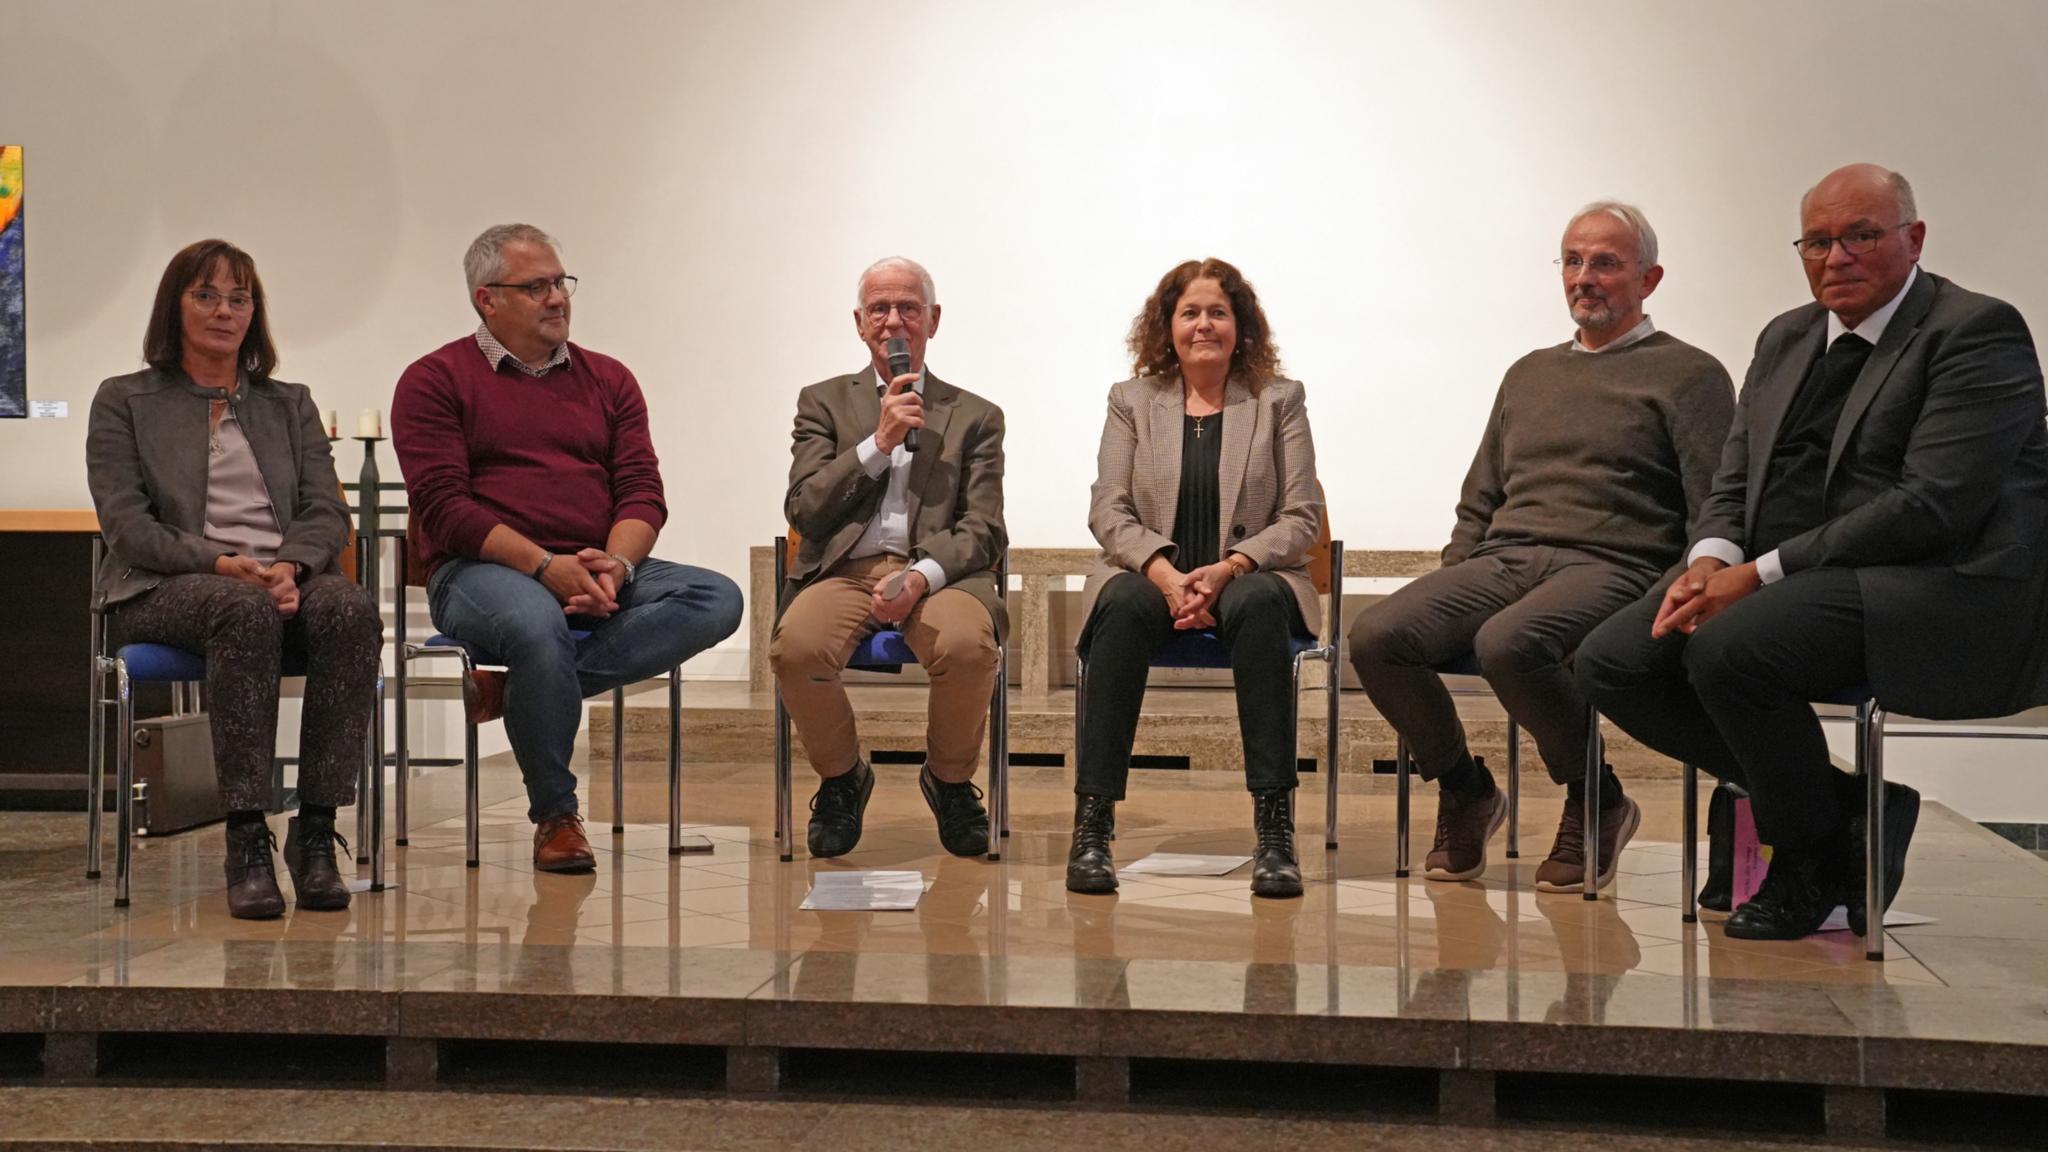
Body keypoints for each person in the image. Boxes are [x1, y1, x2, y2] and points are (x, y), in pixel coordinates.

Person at [1577, 164, 2048, 941]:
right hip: (1777, 571)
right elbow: (1735, 472)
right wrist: (1708, 557)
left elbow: (1933, 505)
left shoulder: (1974, 331)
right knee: (1611, 661)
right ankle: (1847, 811)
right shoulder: (1788, 334)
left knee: (1729, 651)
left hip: (1920, 578)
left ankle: (1803, 862)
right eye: (1819, 241)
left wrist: (1758, 574)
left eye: (1862, 236)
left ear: (1913, 238)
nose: (1837, 257)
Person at [1347, 202, 1734, 893]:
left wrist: (1672, 594)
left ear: (1650, 278)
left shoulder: (1690, 375)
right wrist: (1452, 583)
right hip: (1508, 557)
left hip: (1613, 564)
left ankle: (1597, 798)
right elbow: (1481, 495)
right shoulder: (1528, 372)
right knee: (1378, 635)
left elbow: (1713, 506)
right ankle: (1466, 789)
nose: (1585, 277)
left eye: (1606, 263)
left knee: (1509, 643)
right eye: (1573, 261)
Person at [391, 223, 742, 873]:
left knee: (715, 596)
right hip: (480, 569)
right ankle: (556, 815)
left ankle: (523, 687)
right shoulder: (433, 380)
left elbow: (642, 490)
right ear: (486, 299)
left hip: (590, 560)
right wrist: (545, 568)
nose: (557, 298)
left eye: (560, 283)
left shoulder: (609, 380)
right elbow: (446, 509)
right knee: (535, 622)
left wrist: (618, 563)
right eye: (536, 287)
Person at [86, 239, 378, 919]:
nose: (224, 311)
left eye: (238, 298)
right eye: (206, 295)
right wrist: (222, 564)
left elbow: (326, 509)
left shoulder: (289, 403)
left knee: (350, 610)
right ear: (174, 306)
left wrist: (290, 566)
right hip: (163, 588)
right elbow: (127, 525)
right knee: (239, 610)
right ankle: (246, 837)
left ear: (255, 313)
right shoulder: (124, 400)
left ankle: (313, 833)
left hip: (280, 577)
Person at [1070, 258, 1323, 899]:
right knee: (1122, 604)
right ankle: (1093, 827)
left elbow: (1302, 517)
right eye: (1190, 312)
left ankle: (1274, 833)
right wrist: (1163, 571)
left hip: (1249, 578)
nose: (1203, 324)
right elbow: (1109, 508)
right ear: (1168, 325)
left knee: (1262, 603)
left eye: (1218, 312)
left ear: (1241, 326)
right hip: (1154, 578)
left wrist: (1230, 567)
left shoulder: (1278, 400)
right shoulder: (1132, 401)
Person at [771, 257, 1007, 859]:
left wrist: (921, 576)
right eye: (880, 308)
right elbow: (805, 510)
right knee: (795, 649)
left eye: (908, 308)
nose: (894, 321)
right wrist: (877, 445)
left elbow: (982, 528)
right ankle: (843, 777)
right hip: (844, 572)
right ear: (859, 321)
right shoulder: (822, 403)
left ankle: (950, 782)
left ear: (933, 319)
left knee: (967, 647)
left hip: (940, 576)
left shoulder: (975, 415)